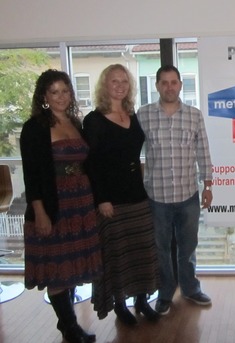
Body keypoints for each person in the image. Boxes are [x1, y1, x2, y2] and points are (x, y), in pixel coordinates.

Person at [20, 69, 102, 343]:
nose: (61, 96)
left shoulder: (75, 123)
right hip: (53, 205)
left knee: (70, 267)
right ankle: (70, 327)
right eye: (54, 92)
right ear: (44, 96)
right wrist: (40, 212)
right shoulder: (34, 128)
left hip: (80, 202)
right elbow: (32, 175)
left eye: (65, 91)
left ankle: (68, 327)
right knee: (57, 267)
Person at [83, 64, 160, 325]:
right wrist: (101, 198)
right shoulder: (93, 120)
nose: (119, 85)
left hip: (137, 193)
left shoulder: (133, 114)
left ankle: (141, 300)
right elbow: (91, 163)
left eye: (124, 81)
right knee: (116, 254)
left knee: (141, 250)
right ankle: (119, 304)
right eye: (114, 81)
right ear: (105, 85)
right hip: (111, 199)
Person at [136, 65, 213, 314]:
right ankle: (165, 293)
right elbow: (130, 152)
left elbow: (203, 151)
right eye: (164, 82)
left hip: (187, 194)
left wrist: (208, 184)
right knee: (161, 248)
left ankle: (190, 288)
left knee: (188, 246)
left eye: (174, 82)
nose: (169, 87)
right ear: (157, 86)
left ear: (180, 85)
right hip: (156, 197)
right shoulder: (143, 115)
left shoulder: (194, 115)